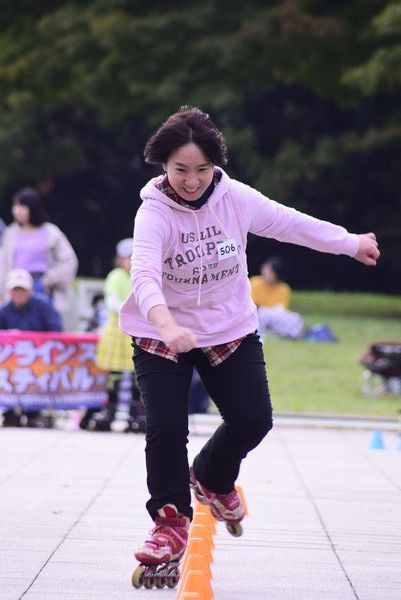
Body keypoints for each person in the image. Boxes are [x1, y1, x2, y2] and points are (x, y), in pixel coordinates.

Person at [119, 106, 380, 573]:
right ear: (163, 165)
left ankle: (212, 477)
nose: (192, 181)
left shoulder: (235, 199)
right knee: (165, 427)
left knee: (253, 419)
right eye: (180, 170)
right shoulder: (153, 213)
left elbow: (290, 223)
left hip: (229, 327)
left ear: (215, 165)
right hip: (161, 333)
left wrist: (350, 242)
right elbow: (143, 275)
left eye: (202, 169)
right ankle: (170, 522)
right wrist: (167, 325)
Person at [79, 239, 145, 433]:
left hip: (136, 331)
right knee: (114, 376)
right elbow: (113, 303)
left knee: (137, 377)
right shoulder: (115, 277)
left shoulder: (142, 275)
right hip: (117, 332)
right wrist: (137, 309)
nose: (131, 262)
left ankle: (137, 413)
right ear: (121, 259)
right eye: (128, 258)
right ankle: (110, 410)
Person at [0, 187, 78, 316]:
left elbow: (69, 261)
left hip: (42, 286)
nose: (17, 211)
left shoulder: (51, 232)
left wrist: (47, 280)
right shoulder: (10, 233)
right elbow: (3, 265)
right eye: (15, 206)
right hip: (16, 284)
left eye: (22, 206)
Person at [0, 268, 63, 427]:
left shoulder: (43, 306)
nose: (19, 294)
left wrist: (37, 342)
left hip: (39, 358)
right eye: (16, 290)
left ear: (30, 290)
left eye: (22, 290)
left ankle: (35, 412)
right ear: (9, 291)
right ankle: (10, 411)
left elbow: (56, 330)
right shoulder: (4, 310)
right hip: (13, 362)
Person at [250, 256, 305, 339]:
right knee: (263, 314)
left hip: (274, 318)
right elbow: (253, 305)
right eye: (264, 270)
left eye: (269, 272)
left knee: (295, 318)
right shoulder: (255, 282)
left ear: (277, 274)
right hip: (257, 315)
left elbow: (280, 309)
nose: (265, 274)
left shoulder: (284, 288)